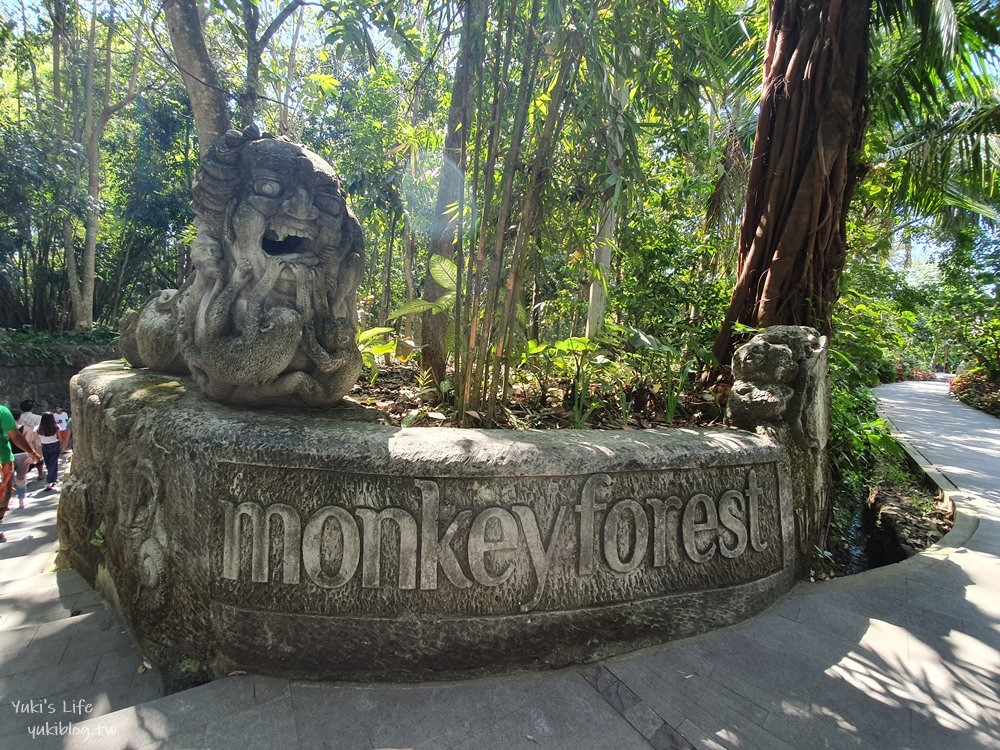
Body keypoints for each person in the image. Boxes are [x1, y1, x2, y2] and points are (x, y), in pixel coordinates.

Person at [1, 404, 41, 542]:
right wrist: (33, 453)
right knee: (4, 493)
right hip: (4, 460)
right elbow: (16, 437)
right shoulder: (2, 411)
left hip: (5, 459)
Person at [17, 400, 44, 481]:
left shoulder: (19, 419)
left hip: (23, 442)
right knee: (39, 458)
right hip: (37, 440)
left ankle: (24, 477)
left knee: (26, 461)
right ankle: (40, 473)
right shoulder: (38, 417)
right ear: (32, 408)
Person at [35, 412, 60, 491]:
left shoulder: (38, 428)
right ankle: (49, 482)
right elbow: (60, 437)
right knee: (53, 462)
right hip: (55, 445)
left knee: (49, 463)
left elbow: (35, 438)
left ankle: (54, 478)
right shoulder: (56, 427)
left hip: (44, 445)